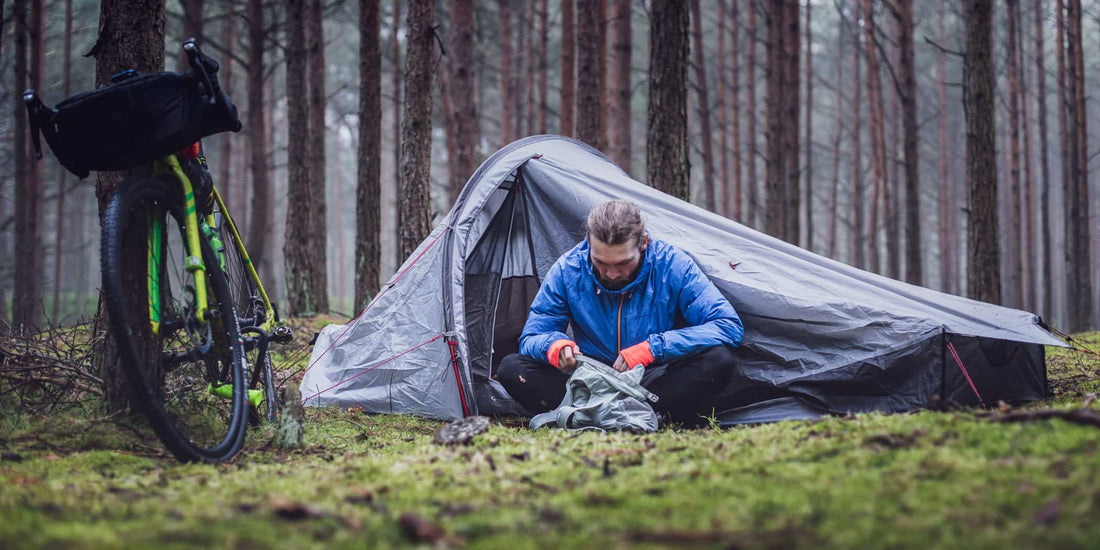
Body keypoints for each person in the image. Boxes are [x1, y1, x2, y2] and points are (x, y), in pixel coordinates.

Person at [497, 199, 744, 424]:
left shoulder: (673, 265)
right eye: (601, 263)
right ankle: (613, 415)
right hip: (587, 382)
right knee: (511, 369)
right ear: (588, 245)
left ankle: (623, 415)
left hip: (652, 382)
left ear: (644, 243)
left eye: (623, 263)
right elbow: (532, 337)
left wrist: (653, 348)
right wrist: (555, 346)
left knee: (719, 361)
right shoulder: (567, 270)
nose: (612, 274)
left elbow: (727, 326)